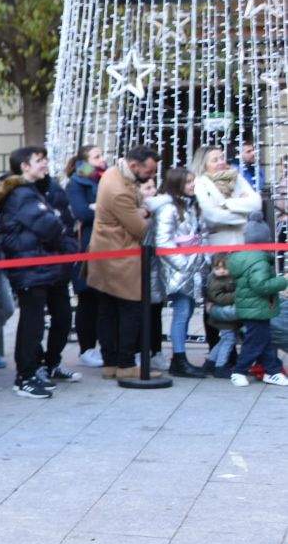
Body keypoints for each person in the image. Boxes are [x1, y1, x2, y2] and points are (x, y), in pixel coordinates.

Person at [0, 146, 80, 396]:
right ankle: (26, 376)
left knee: (41, 320)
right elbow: (51, 226)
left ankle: (36, 370)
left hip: (40, 265)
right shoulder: (22, 194)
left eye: (45, 160)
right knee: (32, 323)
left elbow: (60, 221)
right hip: (30, 266)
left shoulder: (32, 191)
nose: (45, 164)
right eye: (38, 161)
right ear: (24, 166)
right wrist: (65, 240)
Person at [88, 146, 161, 382]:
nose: (151, 176)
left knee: (107, 310)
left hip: (105, 254)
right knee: (131, 309)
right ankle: (126, 363)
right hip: (120, 256)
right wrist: (146, 214)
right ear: (134, 166)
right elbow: (139, 228)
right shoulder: (119, 189)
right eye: (149, 171)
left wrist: (138, 210)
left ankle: (110, 363)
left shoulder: (112, 173)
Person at [150, 167, 208, 378]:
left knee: (188, 310)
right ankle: (179, 358)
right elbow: (163, 241)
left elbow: (200, 232)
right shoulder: (169, 209)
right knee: (182, 312)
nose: (193, 185)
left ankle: (180, 357)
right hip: (179, 268)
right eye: (188, 182)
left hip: (193, 265)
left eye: (193, 181)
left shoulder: (191, 206)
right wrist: (184, 265)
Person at [228, 219, 288, 386]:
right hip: (257, 308)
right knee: (255, 342)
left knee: (265, 340)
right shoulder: (259, 261)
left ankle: (272, 371)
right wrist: (282, 281)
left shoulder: (245, 258)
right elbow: (260, 285)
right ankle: (239, 371)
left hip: (253, 307)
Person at [65, 146, 107, 368]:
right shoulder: (77, 183)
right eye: (96, 156)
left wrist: (98, 207)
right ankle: (87, 348)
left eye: (102, 155)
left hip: (107, 245)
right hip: (87, 246)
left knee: (103, 299)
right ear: (84, 162)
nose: (102, 159)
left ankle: (104, 345)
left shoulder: (106, 179)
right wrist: (103, 208)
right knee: (88, 298)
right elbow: (81, 212)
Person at [194, 143, 262, 247]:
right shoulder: (200, 183)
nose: (221, 162)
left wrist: (225, 204)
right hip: (218, 242)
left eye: (222, 158)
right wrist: (244, 213)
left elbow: (256, 203)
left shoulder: (236, 177)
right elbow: (212, 216)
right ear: (204, 165)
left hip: (244, 239)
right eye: (215, 160)